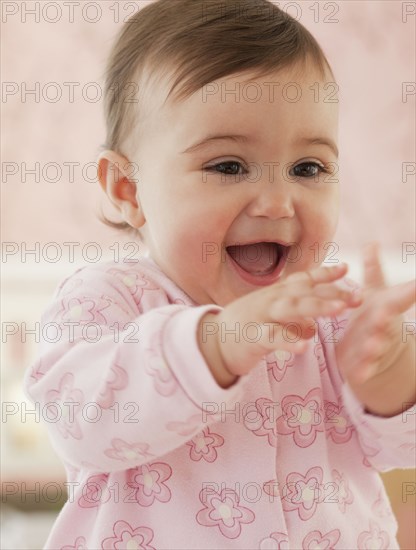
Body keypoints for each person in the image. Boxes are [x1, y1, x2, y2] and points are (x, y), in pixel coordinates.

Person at [24, 0, 415, 548]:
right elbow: (81, 425)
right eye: (228, 166)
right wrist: (220, 343)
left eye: (309, 168)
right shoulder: (106, 301)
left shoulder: (334, 314)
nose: (279, 202)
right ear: (128, 189)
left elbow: (405, 448)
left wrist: (392, 373)